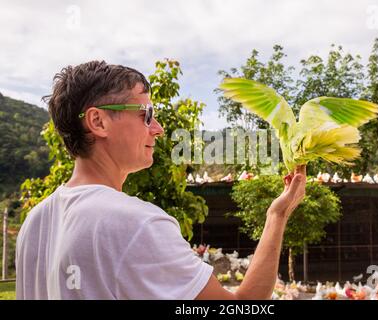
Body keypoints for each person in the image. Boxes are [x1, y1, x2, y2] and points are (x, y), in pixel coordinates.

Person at [15, 60, 306, 299]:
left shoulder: (34, 223)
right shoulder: (135, 223)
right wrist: (277, 216)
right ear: (98, 122)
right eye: (147, 114)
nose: (158, 128)